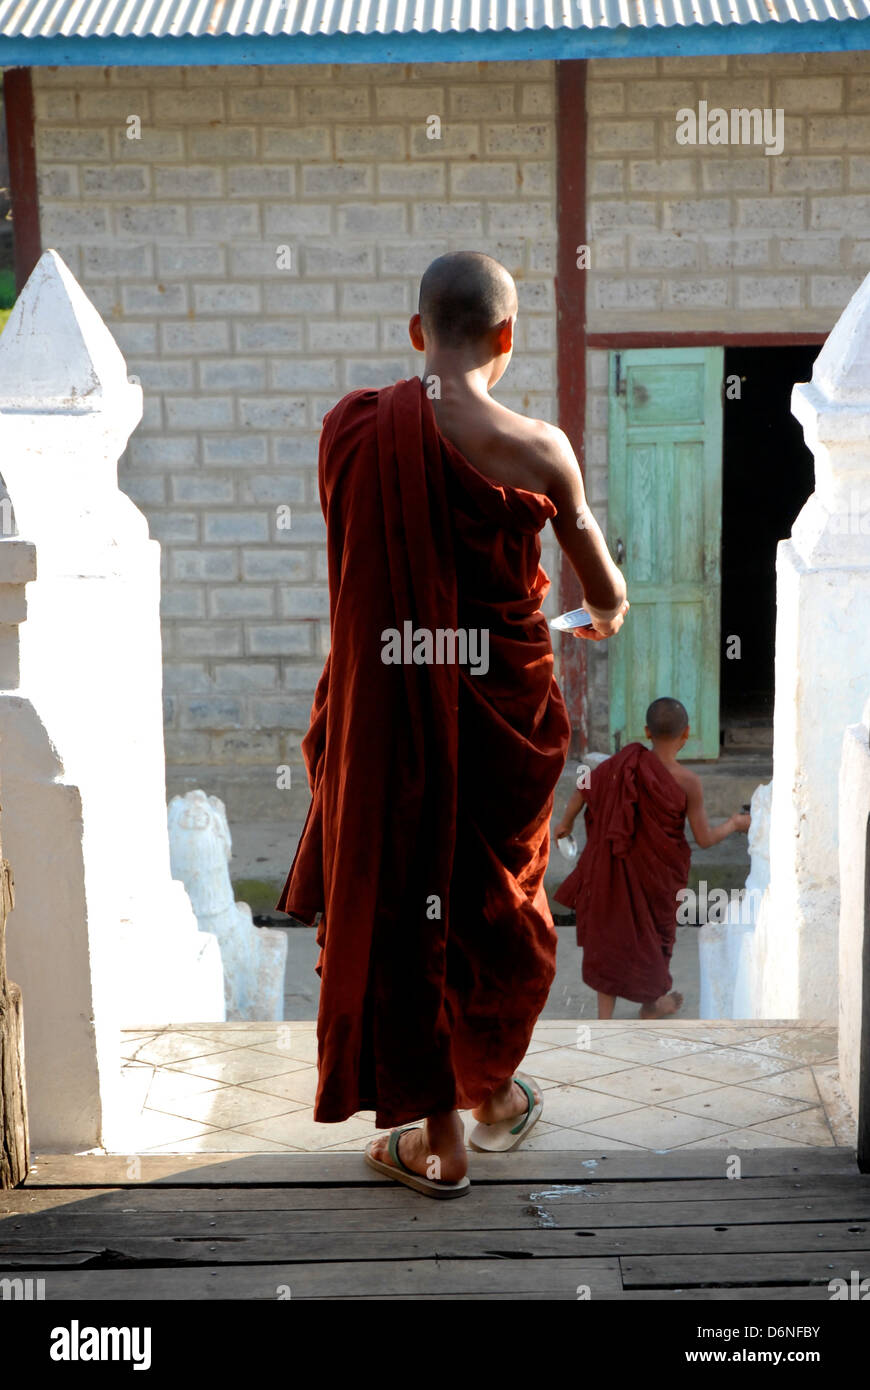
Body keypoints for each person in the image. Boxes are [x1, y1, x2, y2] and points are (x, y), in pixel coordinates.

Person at [276, 250, 627, 1197]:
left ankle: (444, 1133)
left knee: (408, 888)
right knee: (488, 902)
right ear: (507, 339)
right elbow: (605, 592)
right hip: (499, 720)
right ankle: (492, 1102)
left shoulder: (354, 430)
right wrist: (602, 610)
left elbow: (362, 576)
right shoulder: (541, 449)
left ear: (416, 334)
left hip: (392, 711)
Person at [553, 696, 750, 1021]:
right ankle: (651, 1004)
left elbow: (584, 784)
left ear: (646, 731)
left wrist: (565, 821)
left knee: (611, 933)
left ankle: (606, 1017)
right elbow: (703, 838)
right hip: (658, 876)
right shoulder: (688, 782)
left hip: (616, 872)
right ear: (686, 735)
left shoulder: (623, 762)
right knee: (654, 935)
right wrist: (735, 823)